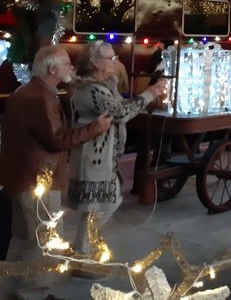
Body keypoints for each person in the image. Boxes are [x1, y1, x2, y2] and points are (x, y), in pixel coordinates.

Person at [0, 46, 111, 296]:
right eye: (66, 64)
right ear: (52, 69)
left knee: (23, 240)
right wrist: (96, 127)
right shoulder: (40, 97)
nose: (71, 67)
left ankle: (15, 291)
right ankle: (34, 293)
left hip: (21, 180)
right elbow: (57, 140)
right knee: (45, 244)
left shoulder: (26, 91)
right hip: (38, 182)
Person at [67, 42, 166, 273]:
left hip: (102, 157)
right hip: (93, 158)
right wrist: (149, 93)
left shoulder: (103, 85)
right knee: (97, 207)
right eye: (110, 59)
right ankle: (82, 258)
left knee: (104, 202)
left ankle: (84, 252)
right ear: (94, 63)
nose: (115, 63)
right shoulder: (91, 89)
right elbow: (121, 112)